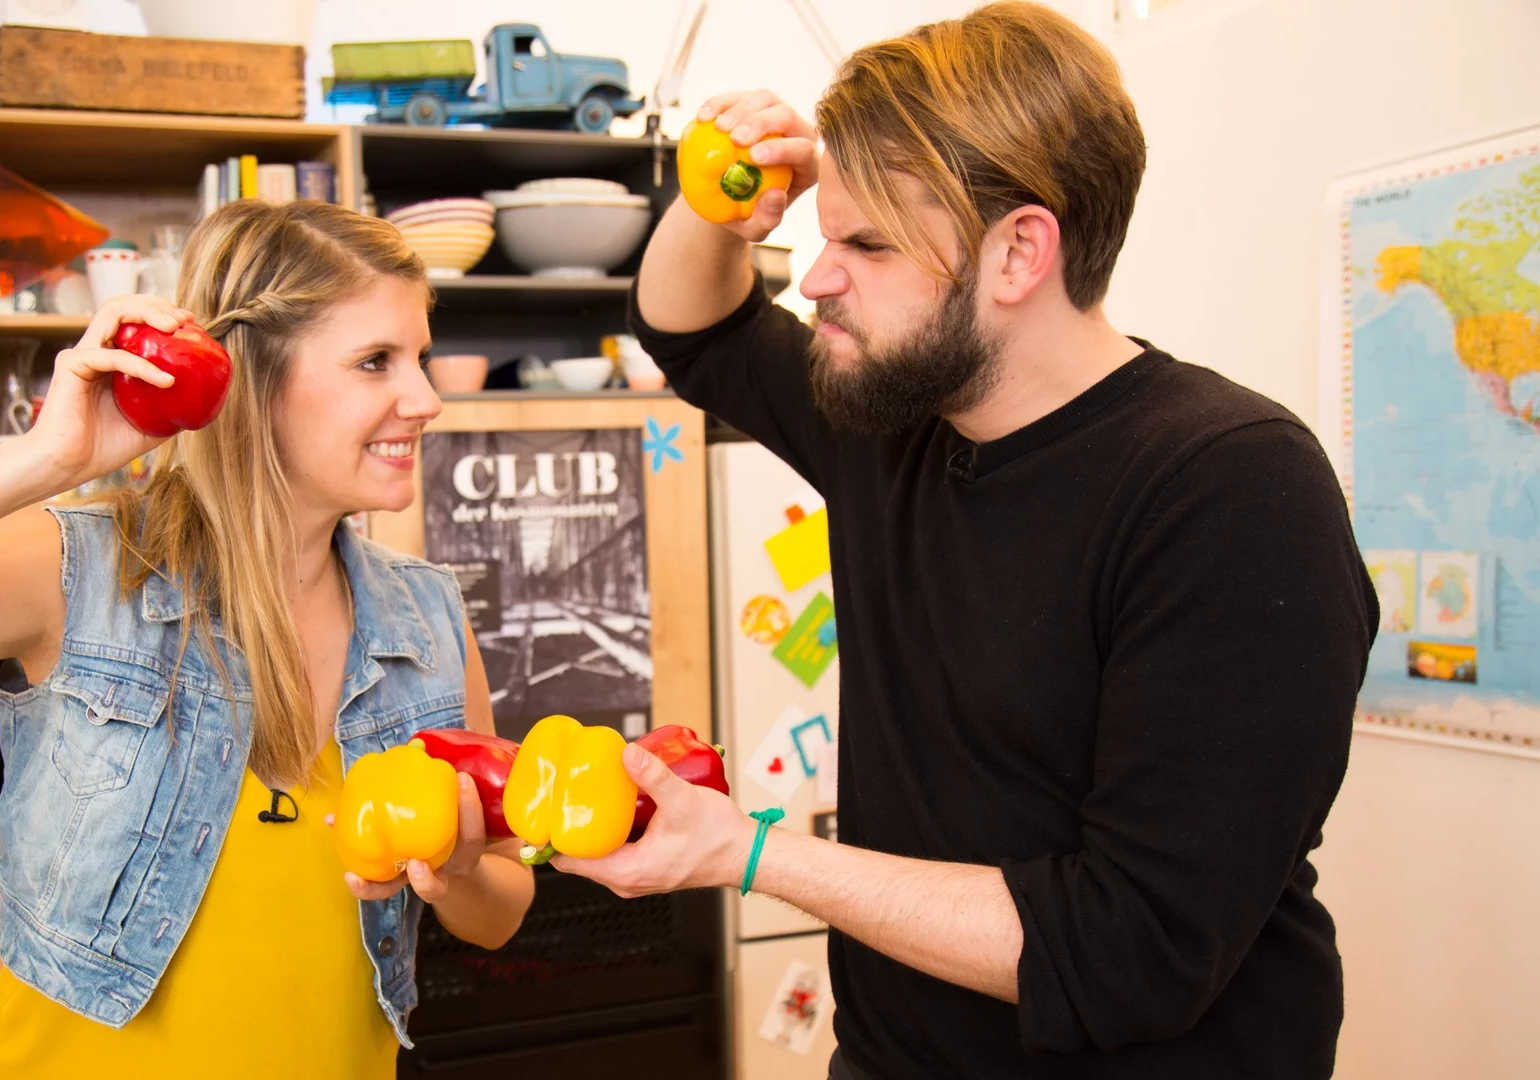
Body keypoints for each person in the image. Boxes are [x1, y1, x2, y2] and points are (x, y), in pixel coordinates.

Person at [553, 4, 1379, 1077]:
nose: (813, 279)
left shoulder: (1230, 490)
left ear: (1020, 251)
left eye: (866, 244)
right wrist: (721, 196)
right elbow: (689, 326)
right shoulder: (893, 417)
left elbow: (1128, 950)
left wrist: (754, 853)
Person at [0, 200, 535, 1076]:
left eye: (418, 355)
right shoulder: (80, 570)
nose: (424, 398)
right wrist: (41, 464)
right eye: (376, 361)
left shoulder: (425, 617)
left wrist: (453, 876)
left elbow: (501, 904)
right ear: (249, 377)